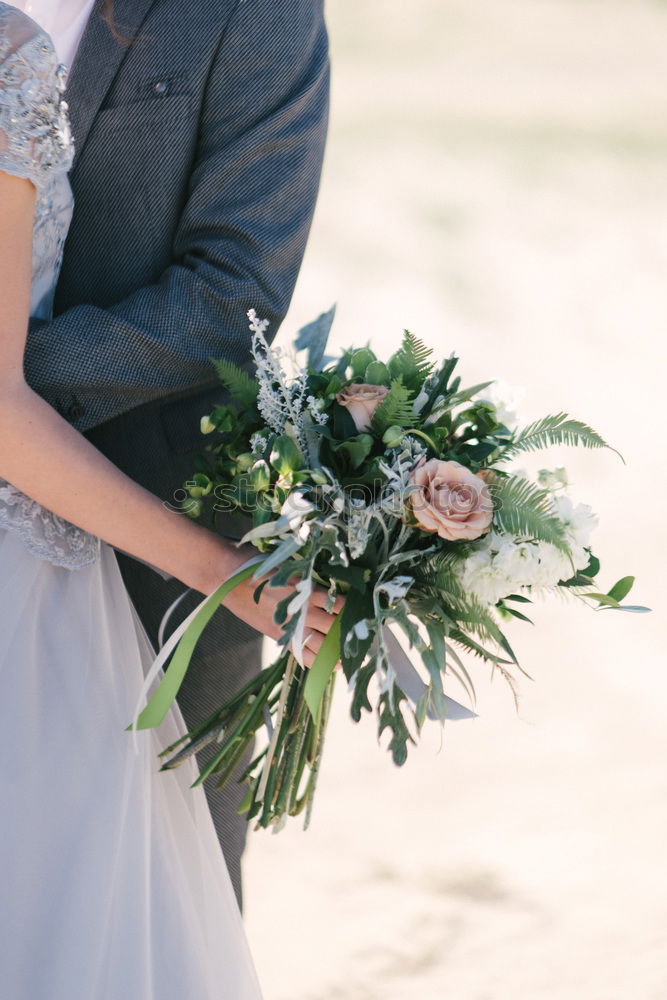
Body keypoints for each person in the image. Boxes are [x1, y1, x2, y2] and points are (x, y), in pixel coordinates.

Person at [0, 1, 334, 995]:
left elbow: (230, 286)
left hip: (148, 518)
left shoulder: (254, 14)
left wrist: (20, 392)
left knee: (147, 912)